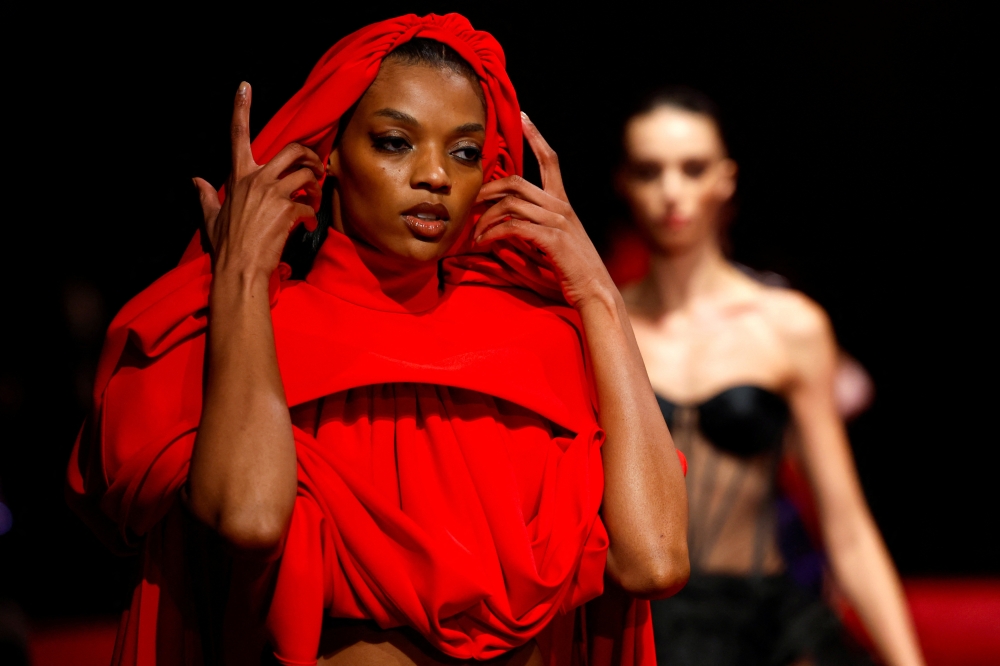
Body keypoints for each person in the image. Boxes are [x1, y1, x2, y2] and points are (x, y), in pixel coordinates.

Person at [66, 14, 689, 666]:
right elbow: (247, 515)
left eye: (466, 151)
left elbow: (655, 560)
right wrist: (244, 274)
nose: (436, 177)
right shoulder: (252, 333)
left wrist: (597, 293)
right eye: (396, 142)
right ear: (329, 152)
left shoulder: (543, 345)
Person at [611, 87, 924, 665]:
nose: (672, 191)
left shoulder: (789, 327)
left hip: (765, 625)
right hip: (636, 623)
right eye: (650, 170)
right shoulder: (599, 329)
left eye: (693, 168)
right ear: (624, 182)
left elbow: (846, 525)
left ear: (726, 179)